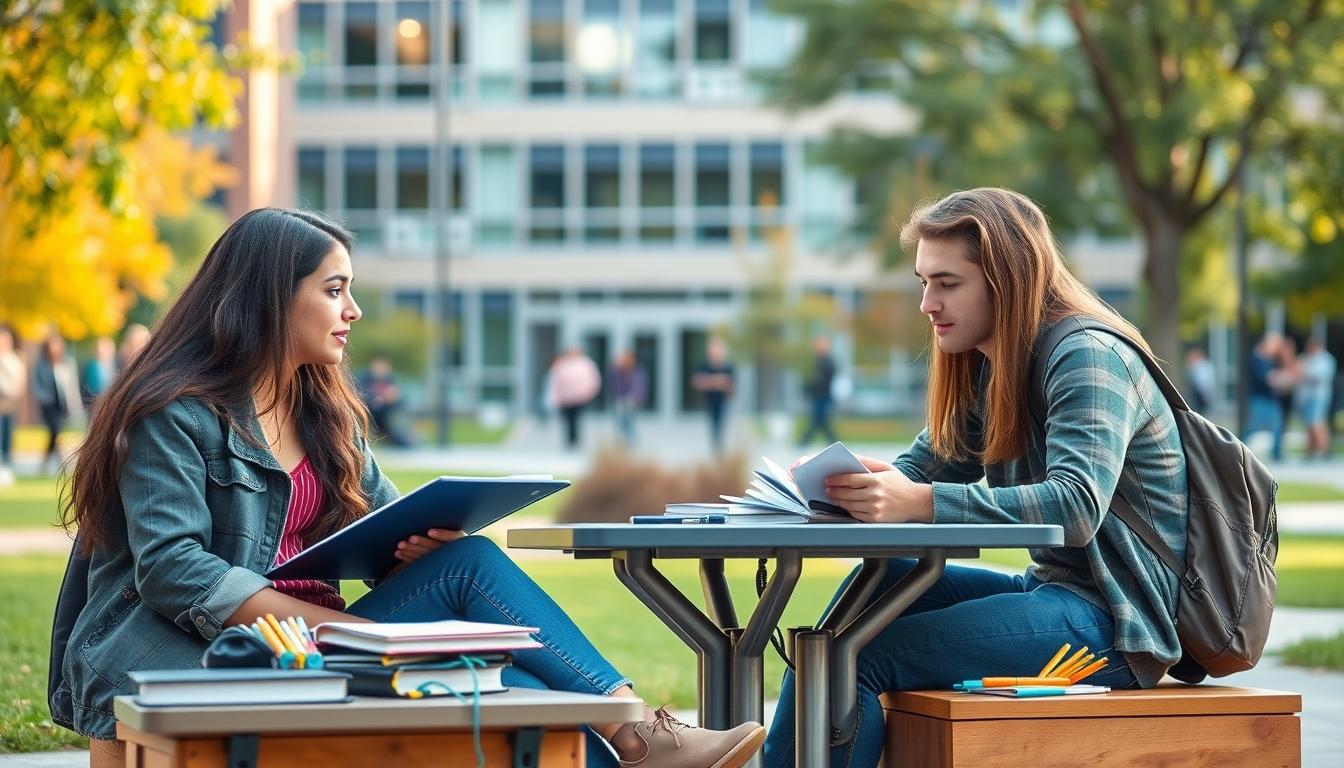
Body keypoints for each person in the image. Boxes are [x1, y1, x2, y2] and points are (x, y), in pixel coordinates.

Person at [54, 209, 765, 768]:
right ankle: (642, 739)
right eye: (334, 290)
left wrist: (413, 549)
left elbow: (382, 521)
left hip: (318, 644)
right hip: (202, 655)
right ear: (270, 299)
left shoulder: (323, 413)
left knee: (479, 584)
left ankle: (636, 731)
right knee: (515, 696)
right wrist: (363, 636)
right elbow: (175, 571)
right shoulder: (174, 413)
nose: (353, 309)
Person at [764, 189, 1186, 768]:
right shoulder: (996, 366)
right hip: (1052, 596)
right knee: (871, 592)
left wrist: (921, 501)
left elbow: (1075, 506)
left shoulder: (1087, 355)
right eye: (923, 281)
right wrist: (853, 487)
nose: (926, 303)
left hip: (1115, 625)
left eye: (947, 282)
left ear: (1006, 280)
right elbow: (925, 470)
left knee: (851, 657)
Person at [32, 332, 81, 473]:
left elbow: (72, 386)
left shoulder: (67, 363)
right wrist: (43, 396)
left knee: (55, 434)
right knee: (55, 431)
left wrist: (75, 405)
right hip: (48, 406)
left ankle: (45, 461)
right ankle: (62, 462)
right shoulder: (41, 365)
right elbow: (36, 386)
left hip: (62, 404)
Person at [547, 345, 602, 450]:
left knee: (576, 419)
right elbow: (555, 381)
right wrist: (556, 396)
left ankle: (575, 440)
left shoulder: (586, 364)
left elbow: (593, 380)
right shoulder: (562, 364)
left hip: (580, 397)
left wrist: (589, 392)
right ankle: (569, 439)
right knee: (567, 419)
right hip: (565, 398)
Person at [1244, 334, 1285, 462]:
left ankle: (1277, 454)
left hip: (1269, 399)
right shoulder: (1255, 359)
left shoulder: (1268, 360)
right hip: (1259, 399)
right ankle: (1236, 446)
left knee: (1277, 425)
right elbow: (1266, 379)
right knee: (1253, 427)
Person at [692, 337, 735, 453]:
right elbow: (697, 381)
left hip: (722, 402)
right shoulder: (704, 365)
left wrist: (721, 384)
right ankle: (715, 449)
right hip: (708, 402)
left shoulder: (727, 367)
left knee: (720, 427)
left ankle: (718, 449)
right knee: (712, 427)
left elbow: (731, 387)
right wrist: (716, 382)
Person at [358, 354, 412, 447]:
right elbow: (359, 395)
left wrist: (394, 397)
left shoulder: (390, 379)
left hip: (386, 414)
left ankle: (405, 437)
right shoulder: (364, 378)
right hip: (370, 412)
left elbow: (399, 397)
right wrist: (379, 398)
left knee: (397, 421)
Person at [1296, 337, 1336, 459]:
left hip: (1318, 396)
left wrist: (1304, 373)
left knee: (1316, 422)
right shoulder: (1305, 357)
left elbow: (1319, 376)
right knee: (1310, 424)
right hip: (1306, 397)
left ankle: (1323, 449)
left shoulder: (1325, 359)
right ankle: (1311, 449)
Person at [798, 336, 839, 447]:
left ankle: (804, 442)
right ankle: (834, 442)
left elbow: (824, 379)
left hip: (823, 395)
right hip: (817, 395)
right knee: (820, 420)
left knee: (819, 419)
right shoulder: (817, 361)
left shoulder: (827, 361)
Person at [0, 326, 24, 485]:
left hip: (9, 405)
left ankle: (7, 468)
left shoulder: (15, 359)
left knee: (7, 438)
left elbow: (19, 382)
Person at [609, 350, 647, 446]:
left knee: (629, 422)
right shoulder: (616, 371)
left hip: (631, 400)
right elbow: (612, 385)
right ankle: (622, 443)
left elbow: (639, 386)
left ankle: (632, 442)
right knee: (619, 422)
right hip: (619, 399)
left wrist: (634, 398)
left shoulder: (637, 371)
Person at [81, 336, 118, 410]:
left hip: (111, 406)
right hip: (92, 406)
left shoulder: (117, 365)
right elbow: (84, 387)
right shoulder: (89, 367)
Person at [1183, 346, 1216, 415]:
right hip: (1197, 393)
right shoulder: (1193, 367)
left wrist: (1206, 393)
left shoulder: (1202, 366)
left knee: (1200, 411)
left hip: (1201, 393)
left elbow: (1204, 381)